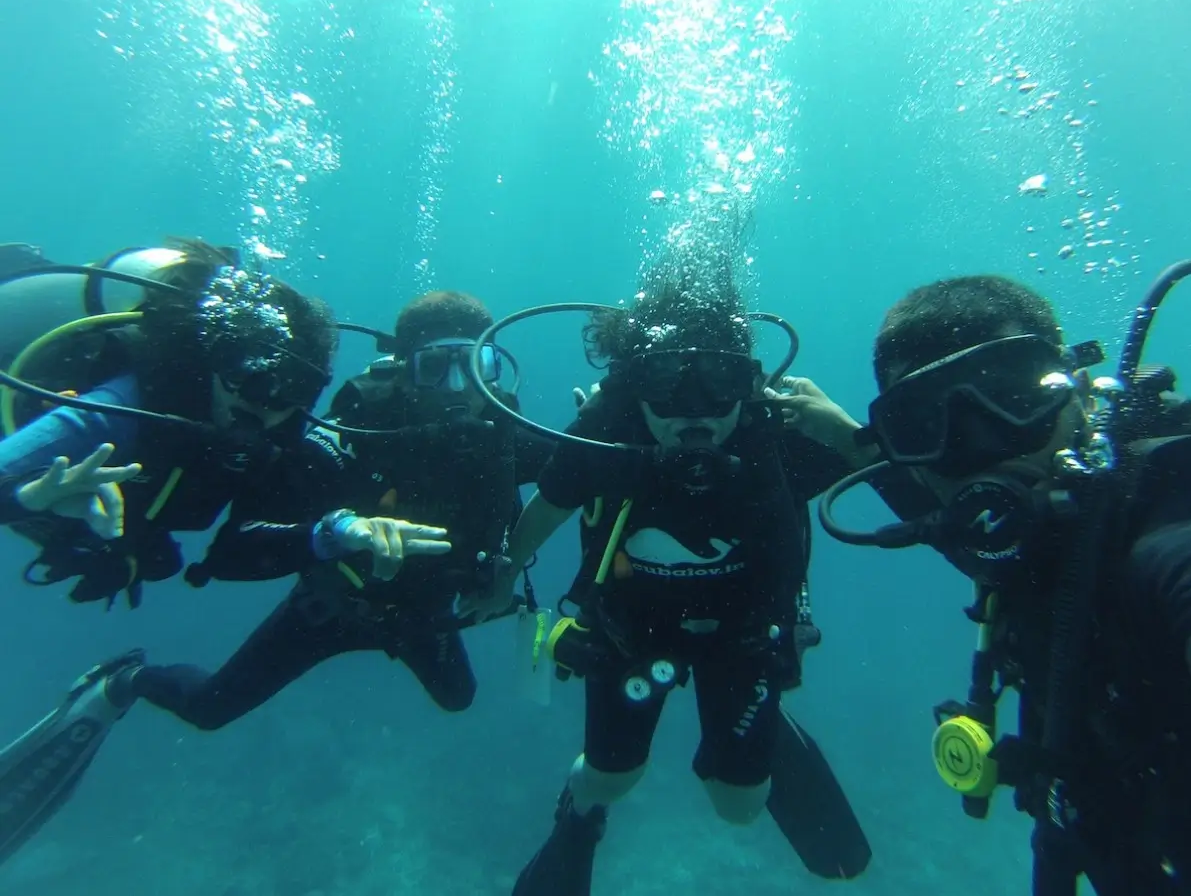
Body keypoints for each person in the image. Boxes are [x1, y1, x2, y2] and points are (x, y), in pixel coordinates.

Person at [793, 233, 1191, 895]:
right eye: (926, 426)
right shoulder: (1034, 543)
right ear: (899, 446)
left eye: (1014, 398)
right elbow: (968, 523)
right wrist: (841, 433)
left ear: (1079, 388)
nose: (979, 452)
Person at [490, 256, 870, 896]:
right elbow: (545, 510)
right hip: (630, 634)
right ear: (634, 385)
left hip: (744, 638)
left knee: (739, 807)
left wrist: (848, 433)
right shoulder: (605, 438)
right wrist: (500, 579)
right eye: (667, 380)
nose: (693, 409)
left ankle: (760, 733)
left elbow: (912, 481)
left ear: (748, 384)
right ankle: (580, 820)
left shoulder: (780, 439)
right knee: (611, 777)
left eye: (718, 380)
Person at [97, 289, 552, 730]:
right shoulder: (347, 439)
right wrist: (334, 533)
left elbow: (580, 476)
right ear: (403, 371)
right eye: (433, 366)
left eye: (476, 365)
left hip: (424, 616)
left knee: (458, 698)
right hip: (330, 610)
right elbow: (230, 551)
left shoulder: (504, 441)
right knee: (207, 710)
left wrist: (603, 424)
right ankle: (128, 679)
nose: (458, 387)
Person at [0, 238, 339, 610]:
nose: (259, 400)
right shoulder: (131, 400)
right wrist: (26, 496)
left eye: (292, 385)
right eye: (241, 369)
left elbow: (239, 545)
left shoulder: (278, 444)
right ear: (215, 357)